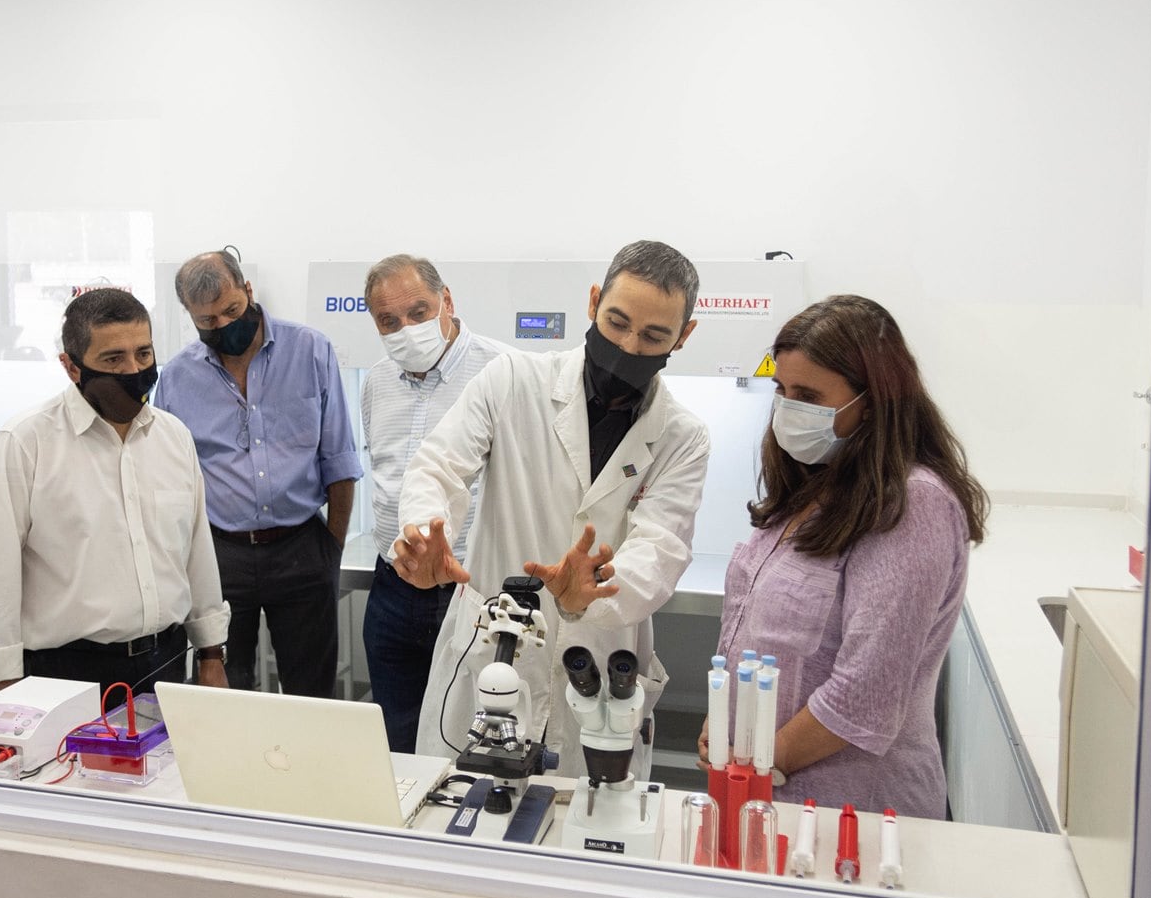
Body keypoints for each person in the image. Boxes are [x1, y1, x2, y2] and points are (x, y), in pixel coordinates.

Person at [394, 239, 711, 781]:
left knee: (581, 832)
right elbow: (440, 466)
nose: (629, 347)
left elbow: (662, 547)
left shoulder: (682, 437)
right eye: (616, 323)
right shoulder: (513, 381)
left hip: (597, 661)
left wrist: (597, 592)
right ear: (593, 303)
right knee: (459, 819)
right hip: (493, 652)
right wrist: (424, 534)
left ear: (684, 336)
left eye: (654, 336)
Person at [697, 295, 988, 819]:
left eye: (807, 395)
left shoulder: (912, 504)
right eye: (781, 391)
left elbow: (864, 693)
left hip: (851, 811)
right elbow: (752, 633)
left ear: (872, 400)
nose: (787, 409)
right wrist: (724, 723)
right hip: (759, 790)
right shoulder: (813, 489)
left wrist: (755, 757)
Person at [0, 288, 229, 701]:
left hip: (167, 663)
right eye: (113, 359)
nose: (133, 369)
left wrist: (211, 653)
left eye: (143, 354)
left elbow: (197, 551)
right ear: (71, 367)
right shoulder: (23, 443)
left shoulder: (174, 437)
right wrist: (5, 689)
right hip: (65, 672)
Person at [154, 251, 362, 698]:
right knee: (225, 692)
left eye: (231, 310)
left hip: (302, 546)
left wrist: (332, 549)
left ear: (248, 291)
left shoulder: (310, 350)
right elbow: (165, 480)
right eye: (207, 320)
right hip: (219, 555)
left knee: (312, 695)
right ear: (190, 317)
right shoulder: (175, 378)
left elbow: (339, 460)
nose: (224, 325)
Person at [360, 254, 509, 752]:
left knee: (474, 739)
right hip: (393, 591)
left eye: (419, 312)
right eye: (389, 321)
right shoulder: (376, 381)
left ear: (447, 301)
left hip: (471, 590)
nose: (407, 328)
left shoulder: (502, 374)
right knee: (397, 739)